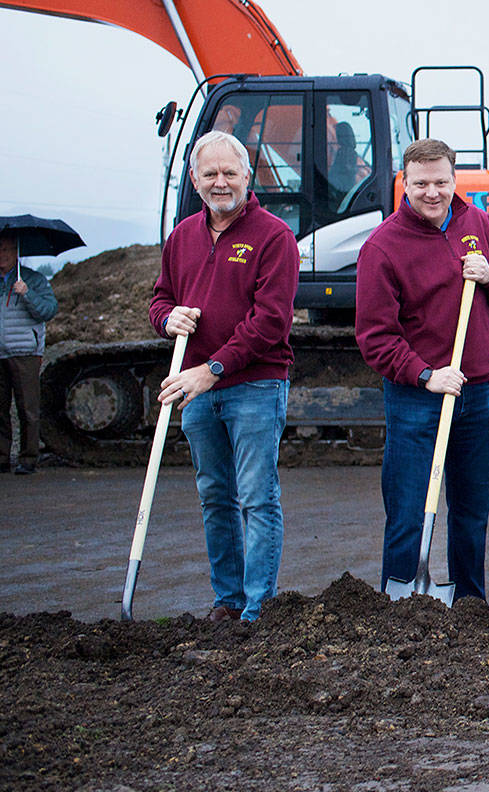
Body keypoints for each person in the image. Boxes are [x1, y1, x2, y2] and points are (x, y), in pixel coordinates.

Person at [356, 138, 489, 602]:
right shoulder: (383, 248)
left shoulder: (477, 223)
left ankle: (470, 605)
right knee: (409, 510)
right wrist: (426, 375)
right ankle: (401, 606)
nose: (432, 192)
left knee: (471, 512)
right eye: (421, 183)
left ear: (455, 180)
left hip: (477, 393)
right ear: (404, 184)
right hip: (416, 399)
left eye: (441, 182)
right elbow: (375, 337)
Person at [150, 130, 299, 622]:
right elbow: (161, 298)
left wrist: (211, 370)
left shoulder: (274, 236)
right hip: (197, 387)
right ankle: (228, 601)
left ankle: (258, 609)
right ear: (194, 180)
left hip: (253, 385)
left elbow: (271, 322)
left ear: (247, 176)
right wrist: (166, 319)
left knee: (257, 497)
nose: (220, 182)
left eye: (230, 172)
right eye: (210, 173)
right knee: (215, 496)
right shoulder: (182, 237)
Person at [0, 231, 58, 474]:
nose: (1, 255)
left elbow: (48, 310)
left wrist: (27, 293)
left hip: (25, 352)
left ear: (17, 253)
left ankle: (28, 458)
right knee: (0, 409)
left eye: (6, 250)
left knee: (28, 408)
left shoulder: (32, 280)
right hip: (0, 353)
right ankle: (2, 458)